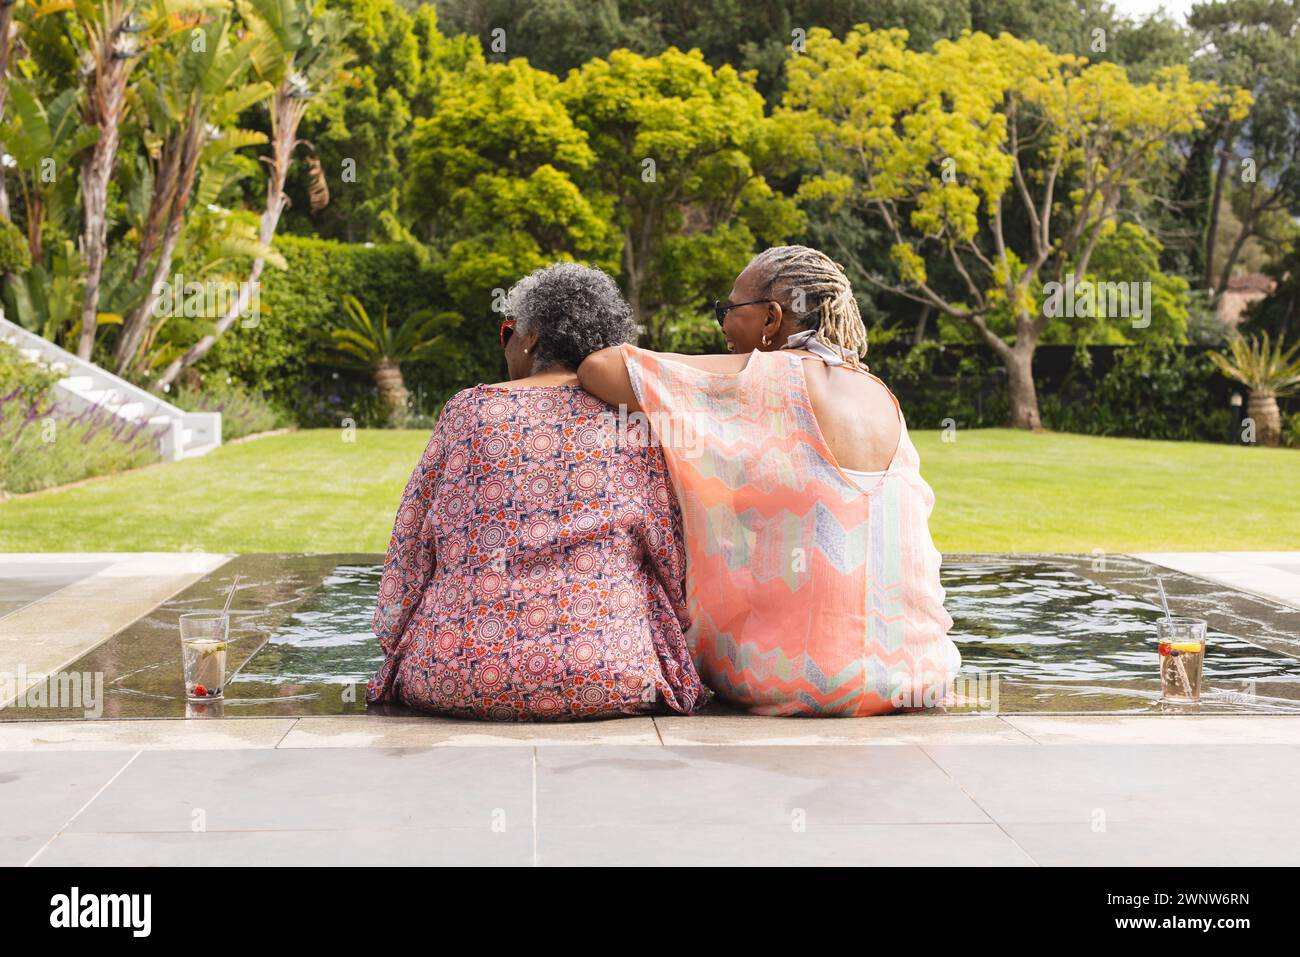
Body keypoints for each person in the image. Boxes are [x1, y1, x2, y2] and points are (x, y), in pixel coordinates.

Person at [577, 245, 960, 716]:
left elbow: (601, 367)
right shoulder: (880, 392)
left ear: (771, 319)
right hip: (917, 673)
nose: (723, 326)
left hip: (793, 678)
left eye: (729, 311)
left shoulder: (763, 375)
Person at [367, 263, 704, 720]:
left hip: (452, 673)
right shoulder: (633, 421)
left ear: (530, 336)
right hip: (609, 672)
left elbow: (409, 549)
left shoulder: (470, 411)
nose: (505, 344)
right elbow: (669, 556)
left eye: (507, 331)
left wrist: (394, 638)